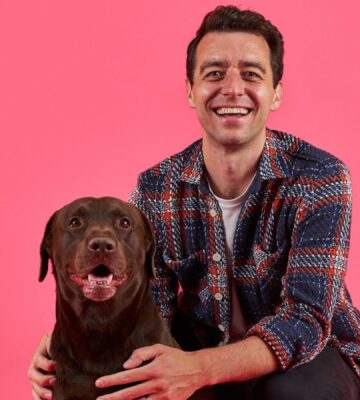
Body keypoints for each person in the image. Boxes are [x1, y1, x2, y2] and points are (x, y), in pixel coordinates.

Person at [29, 5, 360, 400]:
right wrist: (64, 347)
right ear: (191, 91)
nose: (233, 88)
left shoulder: (320, 178)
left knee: (295, 393)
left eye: (251, 74)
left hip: (304, 361)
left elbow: (306, 321)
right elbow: (143, 301)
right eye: (214, 73)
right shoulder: (156, 188)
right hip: (197, 347)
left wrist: (198, 370)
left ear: (276, 93)